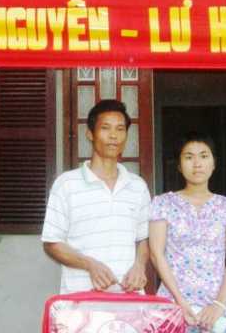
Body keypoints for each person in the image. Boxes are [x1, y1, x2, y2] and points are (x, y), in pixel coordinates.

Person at [42, 99, 151, 294]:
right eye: (105, 128)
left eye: (120, 129)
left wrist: (139, 265)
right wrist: (89, 264)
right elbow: (51, 243)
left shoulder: (138, 186)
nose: (113, 136)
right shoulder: (66, 184)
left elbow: (143, 239)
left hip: (129, 299)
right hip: (80, 299)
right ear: (90, 134)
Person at [149, 132, 226, 332]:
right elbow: (156, 254)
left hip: (218, 303)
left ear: (214, 163)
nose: (197, 164)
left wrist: (219, 304)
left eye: (204, 156)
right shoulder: (163, 204)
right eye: (189, 157)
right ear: (179, 165)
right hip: (173, 301)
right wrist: (180, 302)